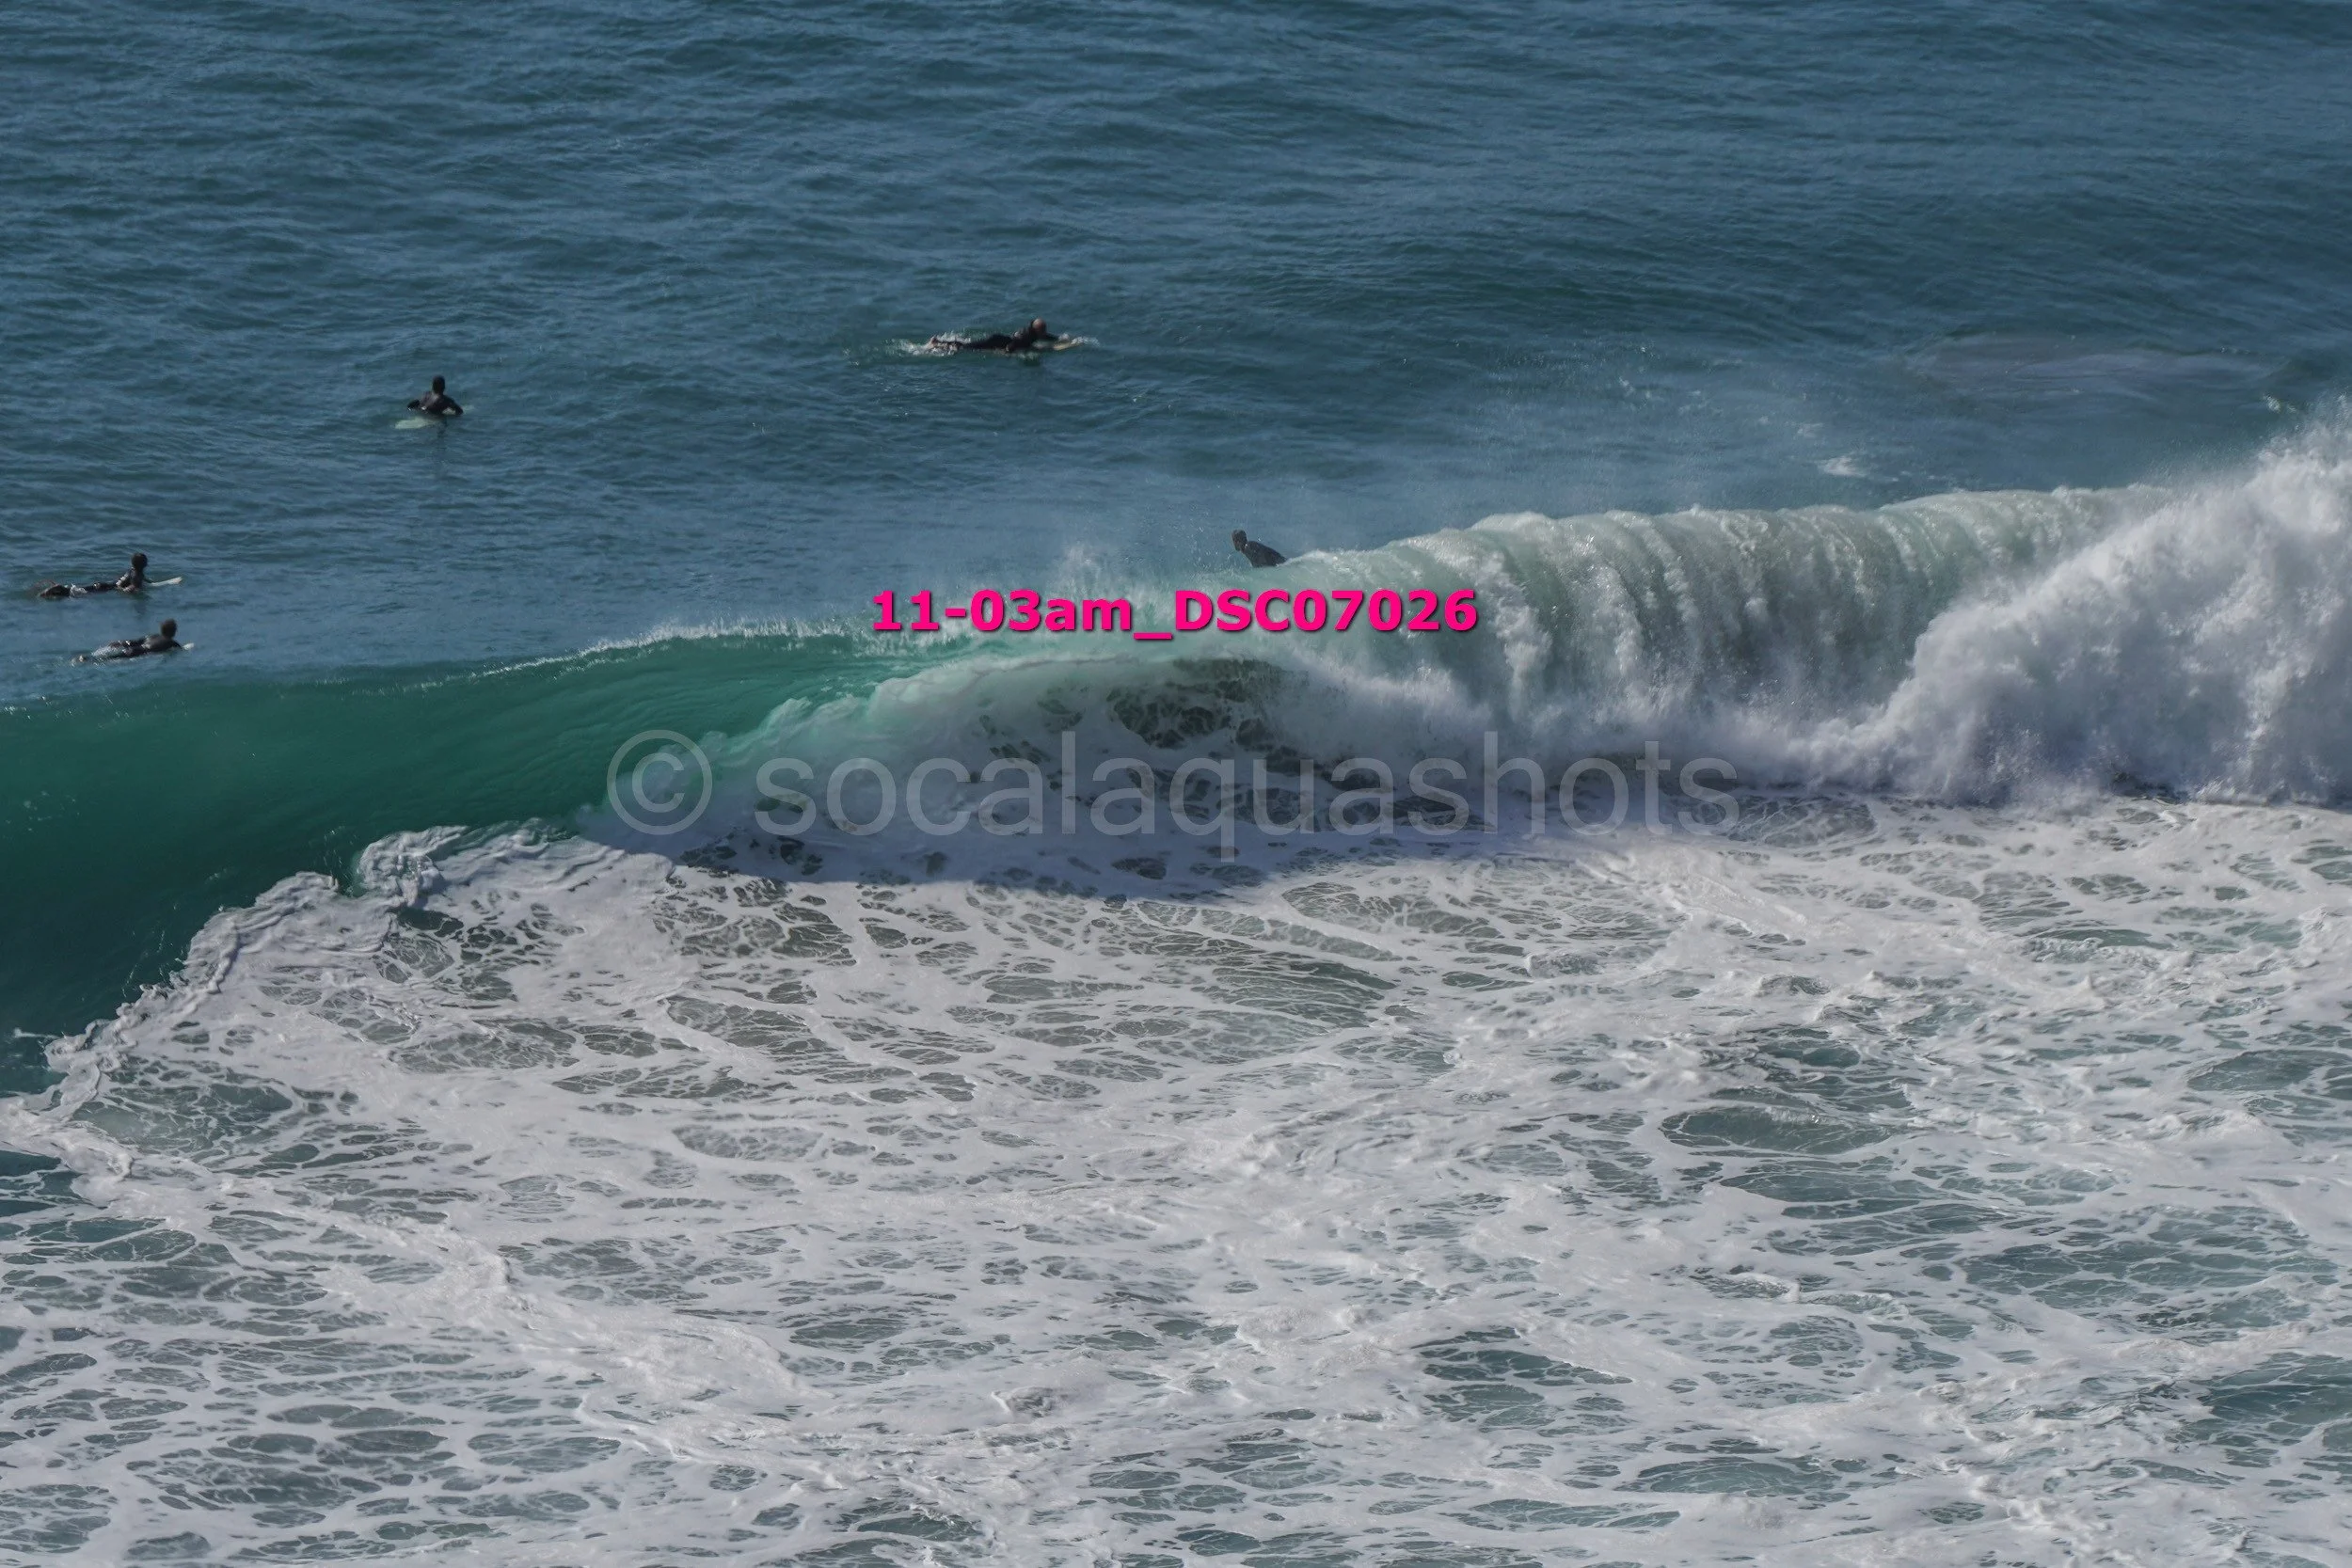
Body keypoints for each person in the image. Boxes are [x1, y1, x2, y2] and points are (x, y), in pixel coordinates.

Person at [40, 552, 149, 599]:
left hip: (105, 585)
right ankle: (59, 588)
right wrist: (128, 592)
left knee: (79, 591)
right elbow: (131, 588)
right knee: (76, 594)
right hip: (108, 588)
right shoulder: (137, 574)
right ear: (143, 564)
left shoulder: (131, 570)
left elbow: (124, 581)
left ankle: (59, 589)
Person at [930, 318, 1071, 355]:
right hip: (997, 342)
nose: (1045, 331)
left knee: (970, 344)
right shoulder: (1027, 337)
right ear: (1036, 329)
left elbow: (1046, 337)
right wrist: (1006, 353)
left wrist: (1060, 339)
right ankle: (938, 343)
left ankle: (941, 342)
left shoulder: (1034, 332)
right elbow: (1012, 346)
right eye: (1043, 329)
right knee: (967, 347)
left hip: (999, 338)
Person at [95, 620, 181, 661]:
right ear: (173, 631)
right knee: (107, 660)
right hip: (138, 653)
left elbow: (134, 642)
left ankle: (85, 659)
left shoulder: (152, 636)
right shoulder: (172, 643)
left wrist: (119, 643)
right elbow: (181, 650)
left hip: (132, 650)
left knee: (105, 659)